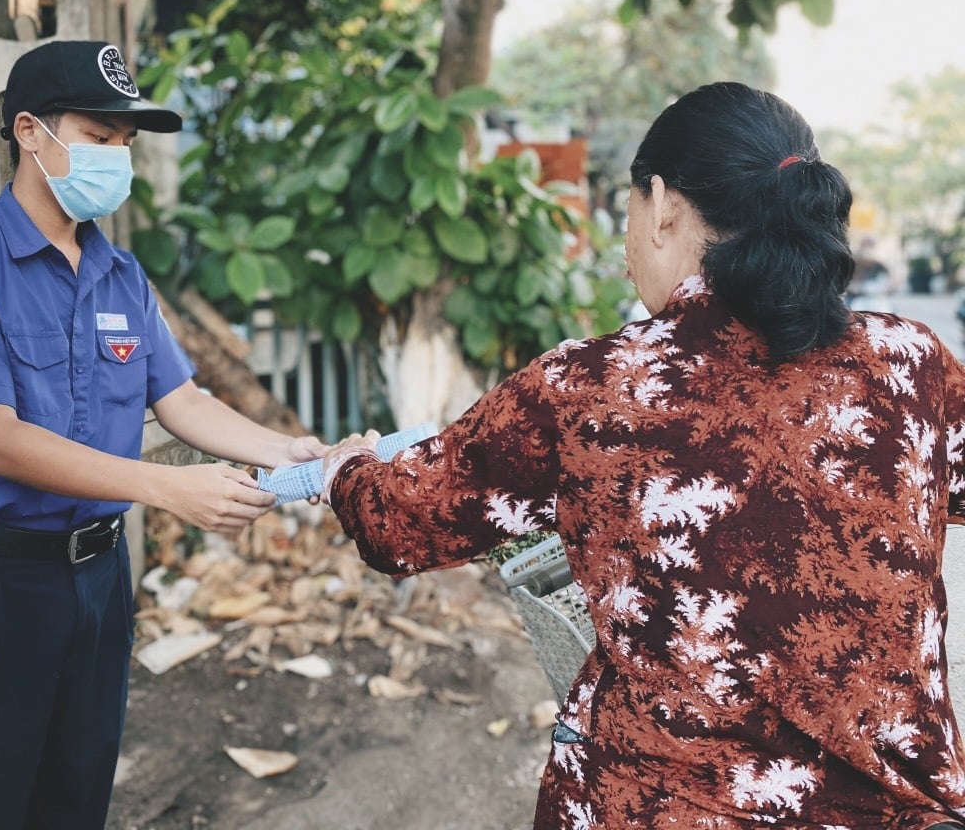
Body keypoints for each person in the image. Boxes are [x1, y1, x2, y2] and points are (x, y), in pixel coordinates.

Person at [321, 82, 965, 829]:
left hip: (654, 807)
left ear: (661, 204)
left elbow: (397, 524)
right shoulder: (909, 361)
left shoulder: (589, 387)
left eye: (625, 210)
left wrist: (346, 470)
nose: (624, 246)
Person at [0, 39, 327, 830]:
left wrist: (284, 450)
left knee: (78, 795)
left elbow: (182, 401)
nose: (116, 158)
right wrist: (164, 487)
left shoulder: (121, 275)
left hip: (101, 581)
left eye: (125, 144)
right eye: (99, 136)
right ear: (30, 132)